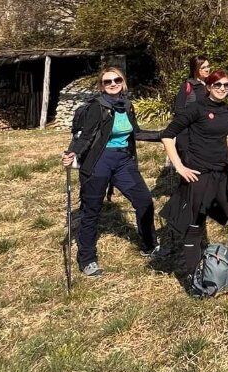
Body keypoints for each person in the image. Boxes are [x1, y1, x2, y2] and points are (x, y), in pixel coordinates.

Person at [61, 66, 160, 277]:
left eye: (117, 80)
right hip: (99, 162)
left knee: (144, 201)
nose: (113, 84)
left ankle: (150, 244)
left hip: (124, 161)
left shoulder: (127, 105)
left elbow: (138, 133)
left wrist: (165, 134)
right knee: (91, 210)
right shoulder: (98, 107)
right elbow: (86, 136)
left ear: (123, 82)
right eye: (108, 81)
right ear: (101, 86)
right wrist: (72, 153)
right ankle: (87, 259)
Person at [160, 69, 228, 287]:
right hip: (200, 175)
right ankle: (195, 277)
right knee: (195, 225)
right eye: (217, 85)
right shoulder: (195, 108)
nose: (222, 89)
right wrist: (180, 167)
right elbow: (167, 135)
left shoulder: (226, 110)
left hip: (222, 175)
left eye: (226, 86)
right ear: (208, 87)